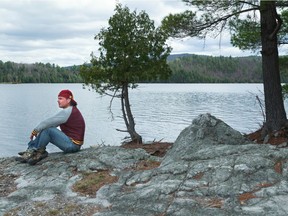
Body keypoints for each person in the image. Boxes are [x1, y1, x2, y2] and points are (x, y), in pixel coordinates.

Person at [16, 89, 85, 165]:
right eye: (58, 98)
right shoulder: (71, 110)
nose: (58, 101)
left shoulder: (67, 112)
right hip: (72, 144)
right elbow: (51, 124)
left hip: (73, 145)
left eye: (60, 98)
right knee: (47, 129)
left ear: (68, 100)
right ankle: (32, 151)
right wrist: (41, 130)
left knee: (48, 130)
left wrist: (35, 130)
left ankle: (37, 152)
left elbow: (48, 122)